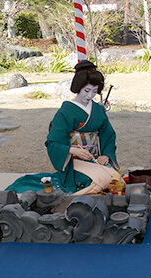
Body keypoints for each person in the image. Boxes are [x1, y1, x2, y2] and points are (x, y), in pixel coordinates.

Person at [45, 61, 121, 194]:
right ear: (78, 87)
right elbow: (53, 142)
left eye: (94, 91)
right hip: (73, 162)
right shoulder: (65, 112)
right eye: (86, 90)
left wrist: (106, 155)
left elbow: (108, 135)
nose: (90, 95)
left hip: (95, 158)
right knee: (96, 180)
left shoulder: (98, 109)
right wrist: (72, 150)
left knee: (114, 179)